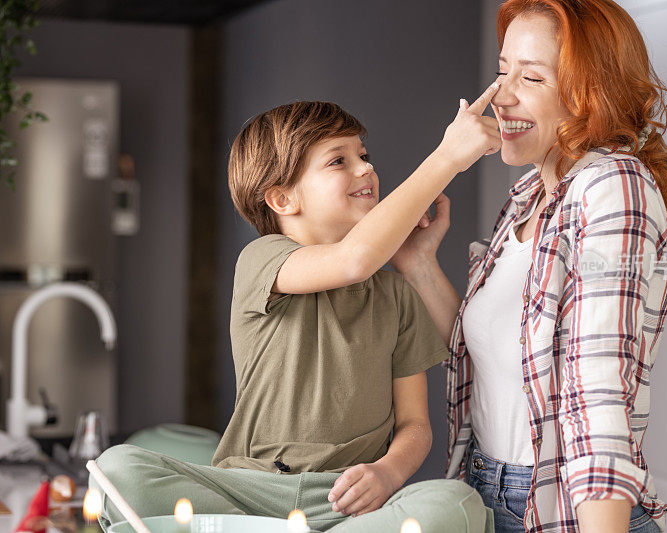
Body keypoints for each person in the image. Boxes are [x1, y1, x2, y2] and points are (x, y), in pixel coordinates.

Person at [89, 92, 505, 533]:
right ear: (283, 200)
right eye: (338, 161)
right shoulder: (263, 260)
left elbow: (419, 420)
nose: (365, 168)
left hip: (346, 502)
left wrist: (389, 473)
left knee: (456, 503)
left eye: (363, 155)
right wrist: (446, 158)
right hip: (247, 492)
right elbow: (353, 260)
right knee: (117, 468)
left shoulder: (394, 294)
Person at [389, 1, 667, 532]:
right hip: (488, 491)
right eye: (502, 70)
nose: (500, 97)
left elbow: (597, 388)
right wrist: (418, 265)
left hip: (560, 508)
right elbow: (497, 354)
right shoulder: (531, 194)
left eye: (530, 77)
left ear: (589, 94)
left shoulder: (613, 188)